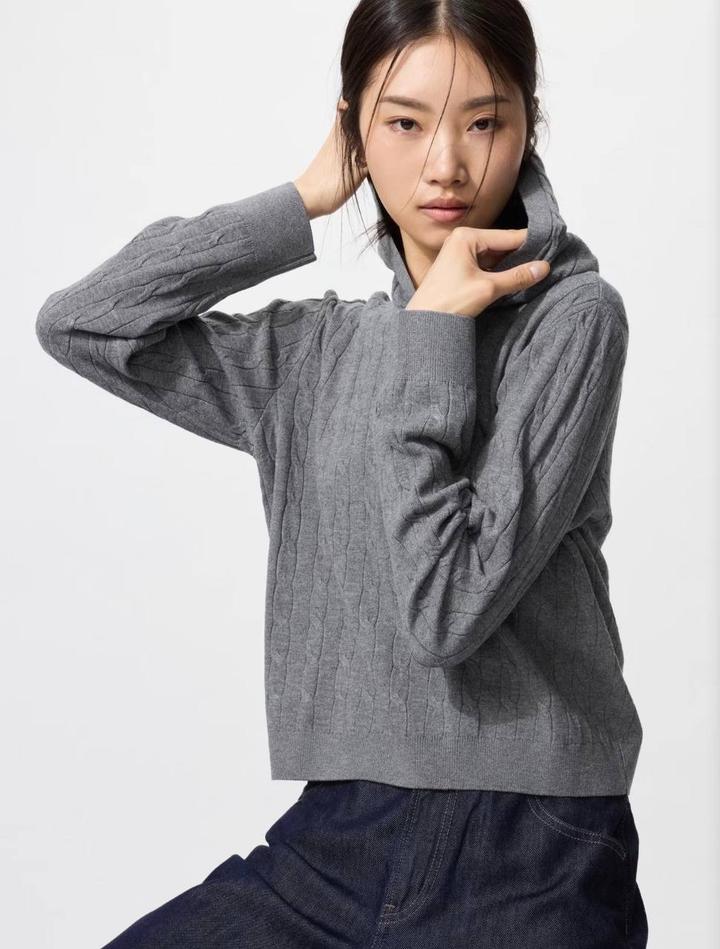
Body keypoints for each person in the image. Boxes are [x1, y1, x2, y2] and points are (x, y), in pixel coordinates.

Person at [35, 1, 648, 946]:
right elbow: (84, 324)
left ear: (528, 127)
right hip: (336, 841)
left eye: (483, 122)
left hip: (532, 851)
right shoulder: (313, 356)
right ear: (354, 129)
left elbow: (447, 608)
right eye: (403, 122)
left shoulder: (574, 322)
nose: (445, 164)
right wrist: (301, 200)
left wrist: (432, 334)